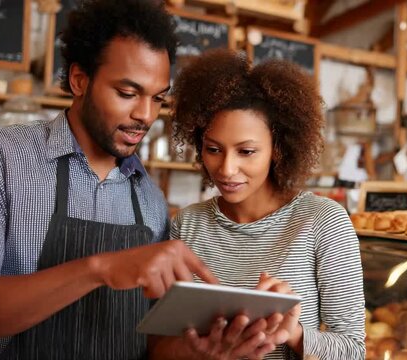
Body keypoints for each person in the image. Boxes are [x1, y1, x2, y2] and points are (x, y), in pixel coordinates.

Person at [0, 2, 282, 359]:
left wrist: (200, 349)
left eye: (157, 99)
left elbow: (152, 342)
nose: (145, 115)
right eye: (127, 93)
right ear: (79, 80)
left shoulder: (151, 201)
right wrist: (100, 268)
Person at [151, 49, 366, 359]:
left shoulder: (323, 222)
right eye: (213, 149)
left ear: (277, 148)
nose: (226, 169)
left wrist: (293, 334)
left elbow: (352, 350)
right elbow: (159, 346)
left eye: (246, 152)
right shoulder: (187, 224)